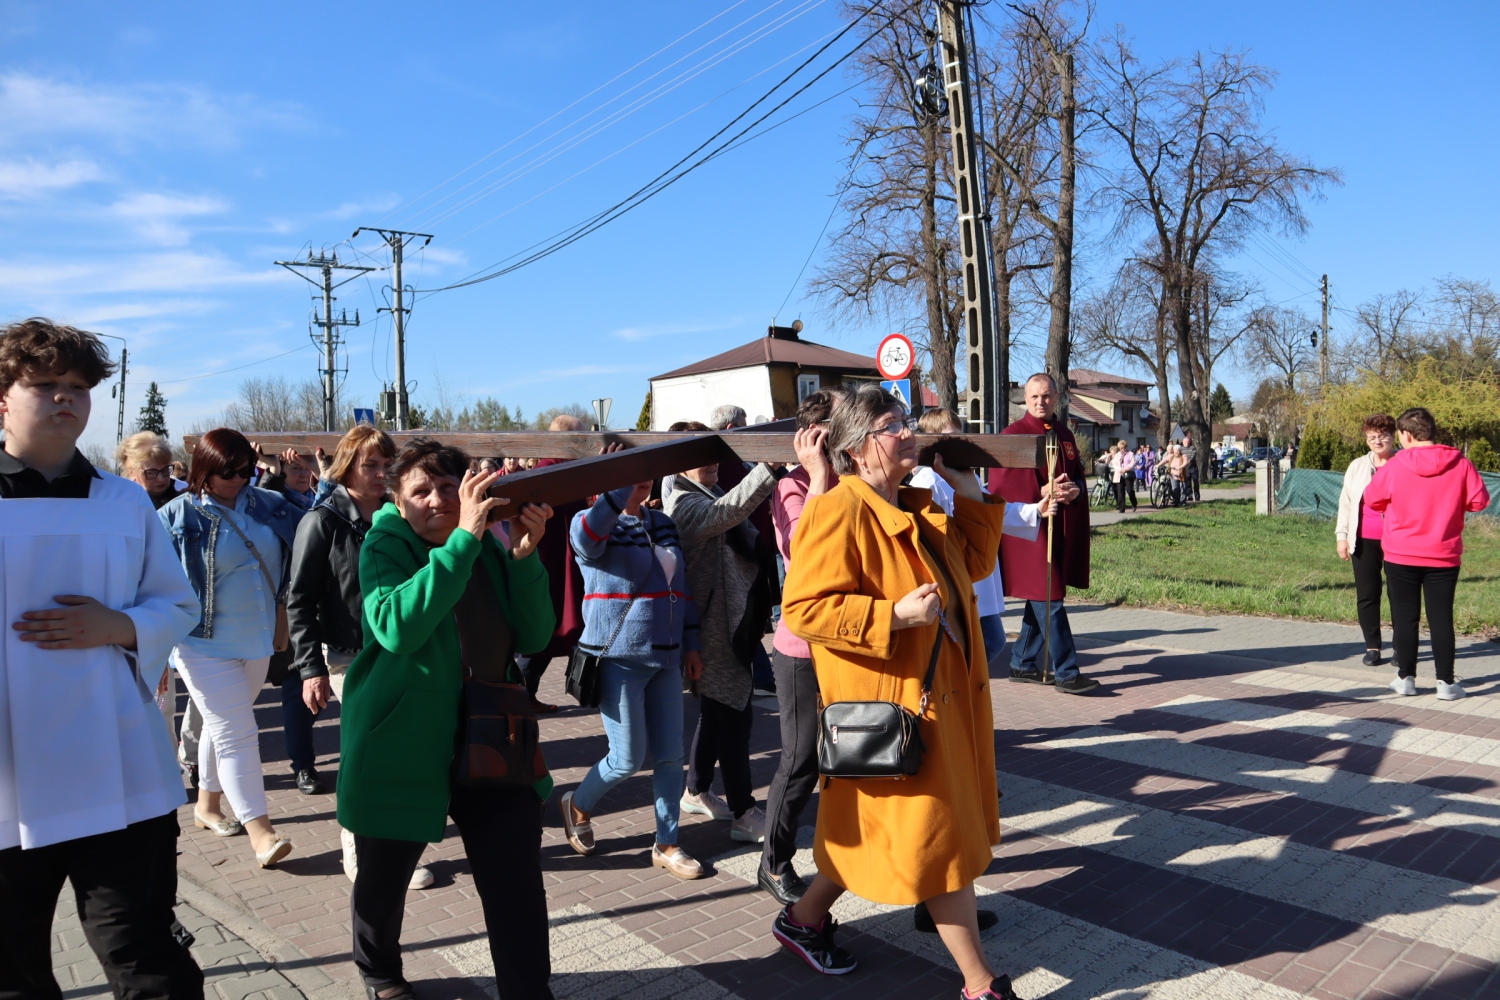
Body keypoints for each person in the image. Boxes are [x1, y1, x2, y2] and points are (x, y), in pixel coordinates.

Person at [776, 384, 1024, 999]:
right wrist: (894, 617)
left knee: (888, 833)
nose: (907, 431)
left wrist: (968, 490)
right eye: (890, 425)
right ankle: (980, 984)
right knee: (935, 838)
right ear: (857, 449)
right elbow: (803, 609)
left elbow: (974, 566)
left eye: (905, 419)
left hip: (934, 704)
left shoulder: (913, 506)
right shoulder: (838, 510)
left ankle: (802, 919)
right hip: (897, 708)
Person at [0, 318, 204, 999]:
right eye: (45, 384)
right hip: (9, 770)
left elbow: (176, 603)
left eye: (78, 386)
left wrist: (118, 625)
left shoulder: (123, 501)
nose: (65, 397)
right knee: (13, 969)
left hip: (114, 760)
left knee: (145, 955)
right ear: (3, 397)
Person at [338, 440, 556, 999]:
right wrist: (462, 543)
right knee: (383, 879)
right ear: (398, 501)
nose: (436, 500)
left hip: (491, 736)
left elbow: (534, 636)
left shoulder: (486, 544)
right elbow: (398, 629)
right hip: (400, 741)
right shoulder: (384, 545)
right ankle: (380, 972)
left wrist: (524, 558)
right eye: (420, 491)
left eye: (446, 488)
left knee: (515, 885)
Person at [159, 428, 302, 867]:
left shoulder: (269, 503)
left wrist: (319, 477)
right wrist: (154, 649)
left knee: (221, 726)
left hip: (260, 638)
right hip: (200, 643)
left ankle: (207, 805)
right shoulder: (174, 517)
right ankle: (261, 832)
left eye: (246, 470)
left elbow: (318, 522)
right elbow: (152, 586)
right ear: (204, 470)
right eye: (229, 472)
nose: (239, 480)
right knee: (237, 733)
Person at [558, 473, 707, 880]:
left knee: (671, 755)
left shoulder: (662, 523)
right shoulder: (588, 522)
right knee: (626, 758)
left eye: (645, 470)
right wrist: (618, 482)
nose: (641, 479)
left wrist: (691, 645)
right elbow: (589, 538)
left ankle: (667, 843)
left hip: (667, 658)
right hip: (618, 659)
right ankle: (577, 804)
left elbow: (682, 589)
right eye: (630, 472)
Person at [666, 420, 778, 844]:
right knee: (735, 717)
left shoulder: (703, 491)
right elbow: (726, 513)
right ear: (679, 465)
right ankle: (744, 812)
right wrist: (768, 468)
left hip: (724, 624)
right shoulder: (684, 502)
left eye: (713, 453)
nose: (712, 462)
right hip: (712, 629)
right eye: (700, 456)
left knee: (718, 711)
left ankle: (696, 790)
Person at [759, 388, 849, 905]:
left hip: (846, 642)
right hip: (801, 649)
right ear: (818, 436)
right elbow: (803, 547)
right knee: (800, 760)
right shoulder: (794, 485)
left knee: (850, 755)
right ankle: (773, 863)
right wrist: (816, 474)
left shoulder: (852, 479)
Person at [1364, 408, 1490, 701]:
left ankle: (1405, 679)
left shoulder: (1395, 465)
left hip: (1400, 553)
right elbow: (1479, 501)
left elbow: (1372, 499)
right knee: (1441, 618)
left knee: (1405, 617)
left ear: (1406, 435)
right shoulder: (1461, 463)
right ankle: (1446, 683)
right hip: (1443, 554)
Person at [990, 373, 1095, 695]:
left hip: (1058, 527)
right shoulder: (1013, 436)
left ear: (1057, 397)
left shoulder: (1064, 434)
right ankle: (1067, 672)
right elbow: (1000, 488)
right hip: (1029, 530)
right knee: (1049, 597)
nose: (1040, 402)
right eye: (1034, 396)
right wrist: (1040, 492)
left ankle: (1022, 662)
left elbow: (1077, 476)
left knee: (1043, 594)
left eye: (1046, 396)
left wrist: (1075, 491)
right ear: (1025, 398)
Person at [518, 413, 590, 713]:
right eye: (581, 438)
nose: (585, 445)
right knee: (544, 630)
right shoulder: (546, 475)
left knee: (554, 629)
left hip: (563, 563)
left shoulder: (567, 472)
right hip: (549, 567)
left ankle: (526, 694)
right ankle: (519, 697)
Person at [707, 404, 781, 697]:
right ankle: (759, 676)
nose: (748, 429)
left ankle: (759, 676)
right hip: (739, 550)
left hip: (755, 545)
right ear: (730, 428)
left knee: (753, 615)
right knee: (745, 616)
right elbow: (736, 503)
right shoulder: (724, 463)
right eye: (744, 424)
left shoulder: (739, 459)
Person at [1335, 414, 1398, 667]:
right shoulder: (1357, 466)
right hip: (1363, 540)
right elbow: (1346, 503)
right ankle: (1373, 646)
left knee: (1399, 595)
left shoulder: (1404, 463)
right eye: (1372, 437)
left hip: (1398, 541)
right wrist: (1342, 537)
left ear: (1394, 436)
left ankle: (1402, 647)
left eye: (1383, 436)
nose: (1377, 441)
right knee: (1368, 595)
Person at [118, 431, 185, 510]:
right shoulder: (122, 505)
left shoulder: (185, 500)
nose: (161, 479)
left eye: (165, 470)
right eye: (151, 473)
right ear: (132, 472)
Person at [1109, 438, 1137, 513]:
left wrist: (1126, 469)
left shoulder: (1130, 454)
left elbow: (1133, 463)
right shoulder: (1117, 455)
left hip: (1128, 474)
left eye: (1124, 447)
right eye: (1121, 448)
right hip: (1119, 475)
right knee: (1120, 492)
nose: (1123, 449)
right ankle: (1122, 508)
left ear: (1126, 447)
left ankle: (1134, 503)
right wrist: (1120, 469)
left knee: (1129, 491)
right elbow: (1115, 464)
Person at [1182, 432, 1201, 501]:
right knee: (1188, 483)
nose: (1187, 443)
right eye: (1186, 442)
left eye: (1188, 441)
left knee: (1195, 482)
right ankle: (1189, 496)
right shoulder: (1181, 449)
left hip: (1193, 468)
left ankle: (1197, 496)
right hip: (1186, 468)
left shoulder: (1192, 448)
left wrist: (1188, 460)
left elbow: (1193, 455)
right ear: (1183, 442)